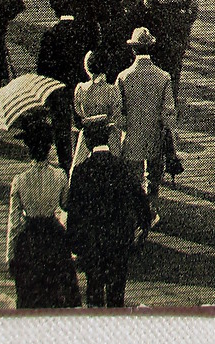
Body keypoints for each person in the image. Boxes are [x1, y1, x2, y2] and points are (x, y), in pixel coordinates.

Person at [67, 116, 146, 307]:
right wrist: (140, 230)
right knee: (116, 296)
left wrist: (75, 244)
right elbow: (141, 202)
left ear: (87, 141)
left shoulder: (80, 171)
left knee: (94, 291)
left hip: (92, 244)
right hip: (119, 242)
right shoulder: (122, 167)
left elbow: (74, 211)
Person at [6, 119, 81, 309]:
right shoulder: (60, 176)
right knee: (57, 292)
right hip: (53, 235)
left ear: (29, 149)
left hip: (30, 237)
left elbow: (14, 222)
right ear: (49, 149)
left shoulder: (19, 180)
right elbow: (65, 205)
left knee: (30, 294)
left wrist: (10, 256)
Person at [116, 26, 176, 225]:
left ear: (133, 50)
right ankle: (150, 210)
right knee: (153, 177)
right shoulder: (163, 76)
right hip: (154, 136)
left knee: (134, 178)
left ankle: (136, 212)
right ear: (151, 48)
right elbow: (168, 113)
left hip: (131, 136)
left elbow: (119, 112)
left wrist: (125, 128)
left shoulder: (123, 77)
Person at [36, 7, 90, 173]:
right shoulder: (83, 33)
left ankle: (66, 163)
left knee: (61, 128)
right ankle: (84, 159)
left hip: (57, 89)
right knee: (83, 123)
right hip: (79, 86)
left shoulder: (50, 34)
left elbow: (42, 68)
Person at [143, 0, 198, 99]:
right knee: (177, 58)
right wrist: (189, 20)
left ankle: (161, 94)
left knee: (161, 56)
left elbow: (147, 1)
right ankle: (173, 94)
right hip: (178, 18)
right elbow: (194, 2)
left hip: (160, 18)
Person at [71, 51, 124, 167]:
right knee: (118, 167)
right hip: (108, 133)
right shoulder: (112, 90)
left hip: (88, 133)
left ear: (87, 68)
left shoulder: (80, 89)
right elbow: (117, 115)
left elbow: (78, 112)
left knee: (76, 168)